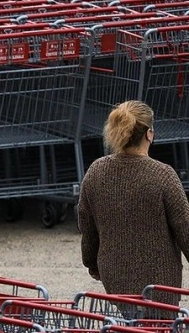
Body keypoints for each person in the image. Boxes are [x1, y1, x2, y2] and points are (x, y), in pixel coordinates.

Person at [78, 100, 189, 308]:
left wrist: (92, 263)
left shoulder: (96, 171)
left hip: (114, 275)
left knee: (126, 330)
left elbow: (87, 225)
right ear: (149, 134)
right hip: (159, 281)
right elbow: (185, 228)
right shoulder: (163, 175)